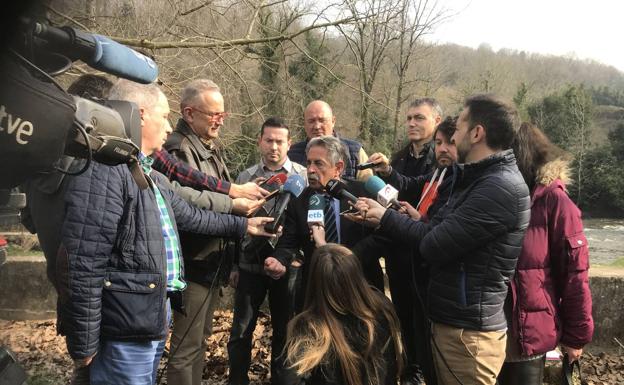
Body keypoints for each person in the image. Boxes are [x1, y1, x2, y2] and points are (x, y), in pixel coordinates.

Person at [57, 79, 275, 385]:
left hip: (148, 317)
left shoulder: (145, 172)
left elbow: (191, 216)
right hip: (124, 326)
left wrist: (245, 225)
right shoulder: (104, 172)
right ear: (141, 115)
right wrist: (84, 342)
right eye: (165, 116)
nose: (169, 125)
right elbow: (83, 262)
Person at [352, 94, 530, 385]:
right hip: (451, 322)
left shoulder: (498, 187)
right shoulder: (472, 178)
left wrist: (385, 217)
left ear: (476, 133)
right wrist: (411, 219)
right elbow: (437, 227)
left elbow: (434, 244)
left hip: (468, 333)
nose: (450, 136)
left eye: (458, 127)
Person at [163, 79, 257, 385]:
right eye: (212, 113)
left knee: (199, 342)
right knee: (185, 348)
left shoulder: (207, 146)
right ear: (189, 113)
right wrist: (235, 206)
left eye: (222, 114)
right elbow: (190, 206)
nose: (219, 120)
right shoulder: (177, 148)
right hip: (193, 262)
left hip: (210, 262)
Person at [497, 123, 594, 385]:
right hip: (486, 331)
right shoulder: (495, 195)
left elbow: (575, 275)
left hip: (527, 334)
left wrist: (575, 337)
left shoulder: (556, 203)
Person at [365, 116, 458, 385]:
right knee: (412, 326)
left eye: (449, 143)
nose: (442, 149)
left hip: (432, 270)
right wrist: (387, 173)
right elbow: (409, 184)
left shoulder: (460, 179)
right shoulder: (437, 172)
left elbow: (443, 232)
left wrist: (395, 219)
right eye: (439, 143)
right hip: (411, 261)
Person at [227, 117, 306, 385]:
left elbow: (308, 225)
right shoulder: (245, 178)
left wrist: (299, 259)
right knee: (240, 331)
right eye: (269, 140)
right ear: (260, 140)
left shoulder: (302, 177)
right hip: (250, 265)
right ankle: (237, 380)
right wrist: (234, 266)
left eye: (280, 141)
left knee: (286, 330)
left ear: (289, 144)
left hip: (288, 267)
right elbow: (236, 224)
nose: (274, 146)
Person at [268, 135, 384, 305]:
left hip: (361, 285)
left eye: (318, 163)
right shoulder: (299, 201)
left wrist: (349, 258)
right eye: (309, 163)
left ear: (338, 168)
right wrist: (278, 259)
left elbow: (382, 235)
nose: (311, 170)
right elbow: (289, 242)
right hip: (317, 291)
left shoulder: (363, 194)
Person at [283, 244, 403, 385]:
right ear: (357, 277)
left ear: (314, 282)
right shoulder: (382, 311)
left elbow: (290, 378)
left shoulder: (309, 329)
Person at [287, 100, 373, 181]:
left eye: (322, 120)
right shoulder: (291, 154)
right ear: (304, 124)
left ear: (333, 121)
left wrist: (385, 172)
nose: (317, 126)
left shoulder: (355, 152)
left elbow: (369, 188)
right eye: (311, 121)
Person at [390, 98, 441, 186]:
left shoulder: (442, 161)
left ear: (437, 121)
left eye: (419, 118)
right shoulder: (398, 158)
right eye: (409, 118)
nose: (411, 124)